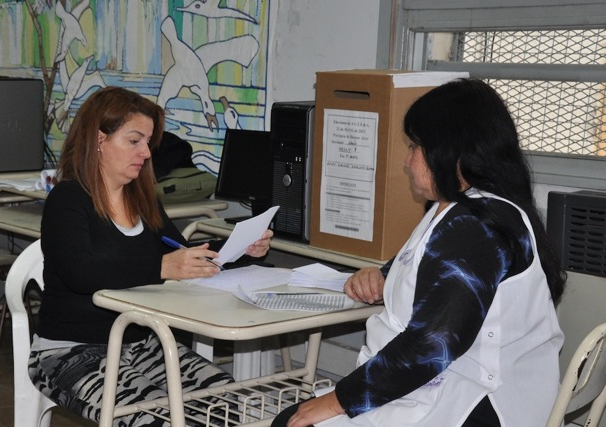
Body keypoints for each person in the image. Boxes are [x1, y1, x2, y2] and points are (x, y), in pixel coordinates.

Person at [273, 78, 566, 427]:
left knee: (293, 422)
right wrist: (382, 275)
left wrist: (339, 400)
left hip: (476, 402)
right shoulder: (462, 208)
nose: (407, 160)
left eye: (415, 146)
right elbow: (427, 267)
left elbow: (433, 343)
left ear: (451, 151)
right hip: (446, 384)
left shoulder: (475, 226)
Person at [28, 86, 273, 426]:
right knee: (156, 419)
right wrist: (161, 267)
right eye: (134, 141)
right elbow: (79, 272)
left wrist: (242, 249)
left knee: (230, 405)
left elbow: (182, 254)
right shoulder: (68, 199)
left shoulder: (143, 201)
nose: (145, 153)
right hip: (70, 351)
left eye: (147, 142)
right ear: (99, 139)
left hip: (144, 344)